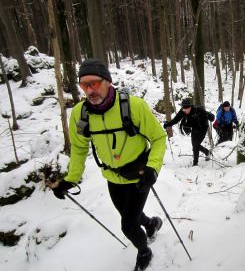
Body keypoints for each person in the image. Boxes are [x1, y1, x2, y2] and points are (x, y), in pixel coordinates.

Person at [50, 59, 166, 271]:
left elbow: (159, 138)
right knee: (128, 214)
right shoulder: (80, 114)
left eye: (94, 83)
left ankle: (144, 251)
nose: (89, 89)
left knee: (128, 225)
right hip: (112, 178)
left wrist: (153, 169)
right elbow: (79, 148)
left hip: (139, 174)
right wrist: (70, 180)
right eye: (84, 85)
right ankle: (151, 224)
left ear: (108, 82)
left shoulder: (134, 106)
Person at [163, 99, 214, 166]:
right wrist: (167, 124)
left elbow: (212, 117)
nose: (185, 111)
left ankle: (195, 163)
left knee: (196, 145)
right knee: (194, 145)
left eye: (187, 109)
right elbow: (176, 120)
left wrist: (209, 116)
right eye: (184, 109)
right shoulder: (183, 111)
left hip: (203, 128)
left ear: (190, 107)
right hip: (195, 128)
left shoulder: (198, 110)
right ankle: (207, 152)